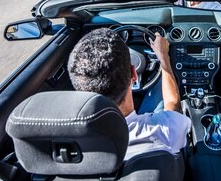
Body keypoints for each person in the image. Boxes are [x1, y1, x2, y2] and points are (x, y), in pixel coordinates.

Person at [68, 28, 191, 159]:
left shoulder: (70, 144)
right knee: (156, 88)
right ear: (134, 74)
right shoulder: (164, 131)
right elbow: (173, 106)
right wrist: (164, 58)